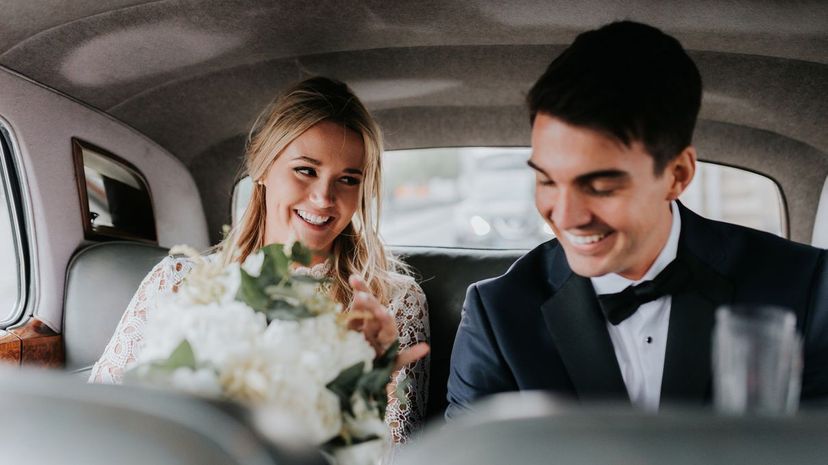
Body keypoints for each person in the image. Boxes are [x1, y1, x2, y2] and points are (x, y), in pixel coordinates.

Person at [446, 21, 828, 418]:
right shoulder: (499, 316)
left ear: (677, 175)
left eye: (600, 186)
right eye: (546, 180)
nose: (566, 215)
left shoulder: (806, 288)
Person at [90, 77, 430, 444]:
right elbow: (98, 420)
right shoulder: (176, 281)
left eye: (348, 179)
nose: (323, 198)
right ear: (263, 169)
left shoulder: (392, 303)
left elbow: (393, 455)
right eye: (306, 170)